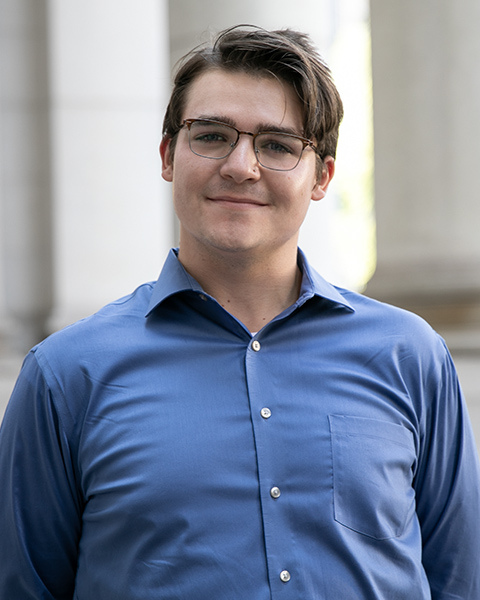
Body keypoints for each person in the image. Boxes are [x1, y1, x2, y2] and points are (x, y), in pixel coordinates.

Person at [0, 24, 479, 600]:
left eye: (278, 145)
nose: (241, 166)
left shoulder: (410, 355)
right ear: (168, 155)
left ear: (322, 177)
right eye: (212, 136)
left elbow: (461, 579)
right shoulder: (65, 376)